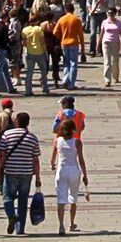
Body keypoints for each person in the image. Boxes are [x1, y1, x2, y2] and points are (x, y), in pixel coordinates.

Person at [0, 111, 41, 235]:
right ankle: (20, 229)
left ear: (16, 122)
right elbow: (35, 160)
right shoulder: (32, 138)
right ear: (28, 123)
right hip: (27, 173)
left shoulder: (7, 135)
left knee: (7, 198)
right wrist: (38, 177)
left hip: (10, 172)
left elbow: (2, 155)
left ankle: (11, 216)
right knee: (23, 201)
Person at [53, 96, 88, 233]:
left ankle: (61, 225)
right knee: (73, 197)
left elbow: (54, 128)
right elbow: (81, 159)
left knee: (61, 198)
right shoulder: (80, 115)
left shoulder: (60, 115)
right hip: (74, 166)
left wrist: (52, 163)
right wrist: (85, 175)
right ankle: (72, 223)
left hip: (62, 167)